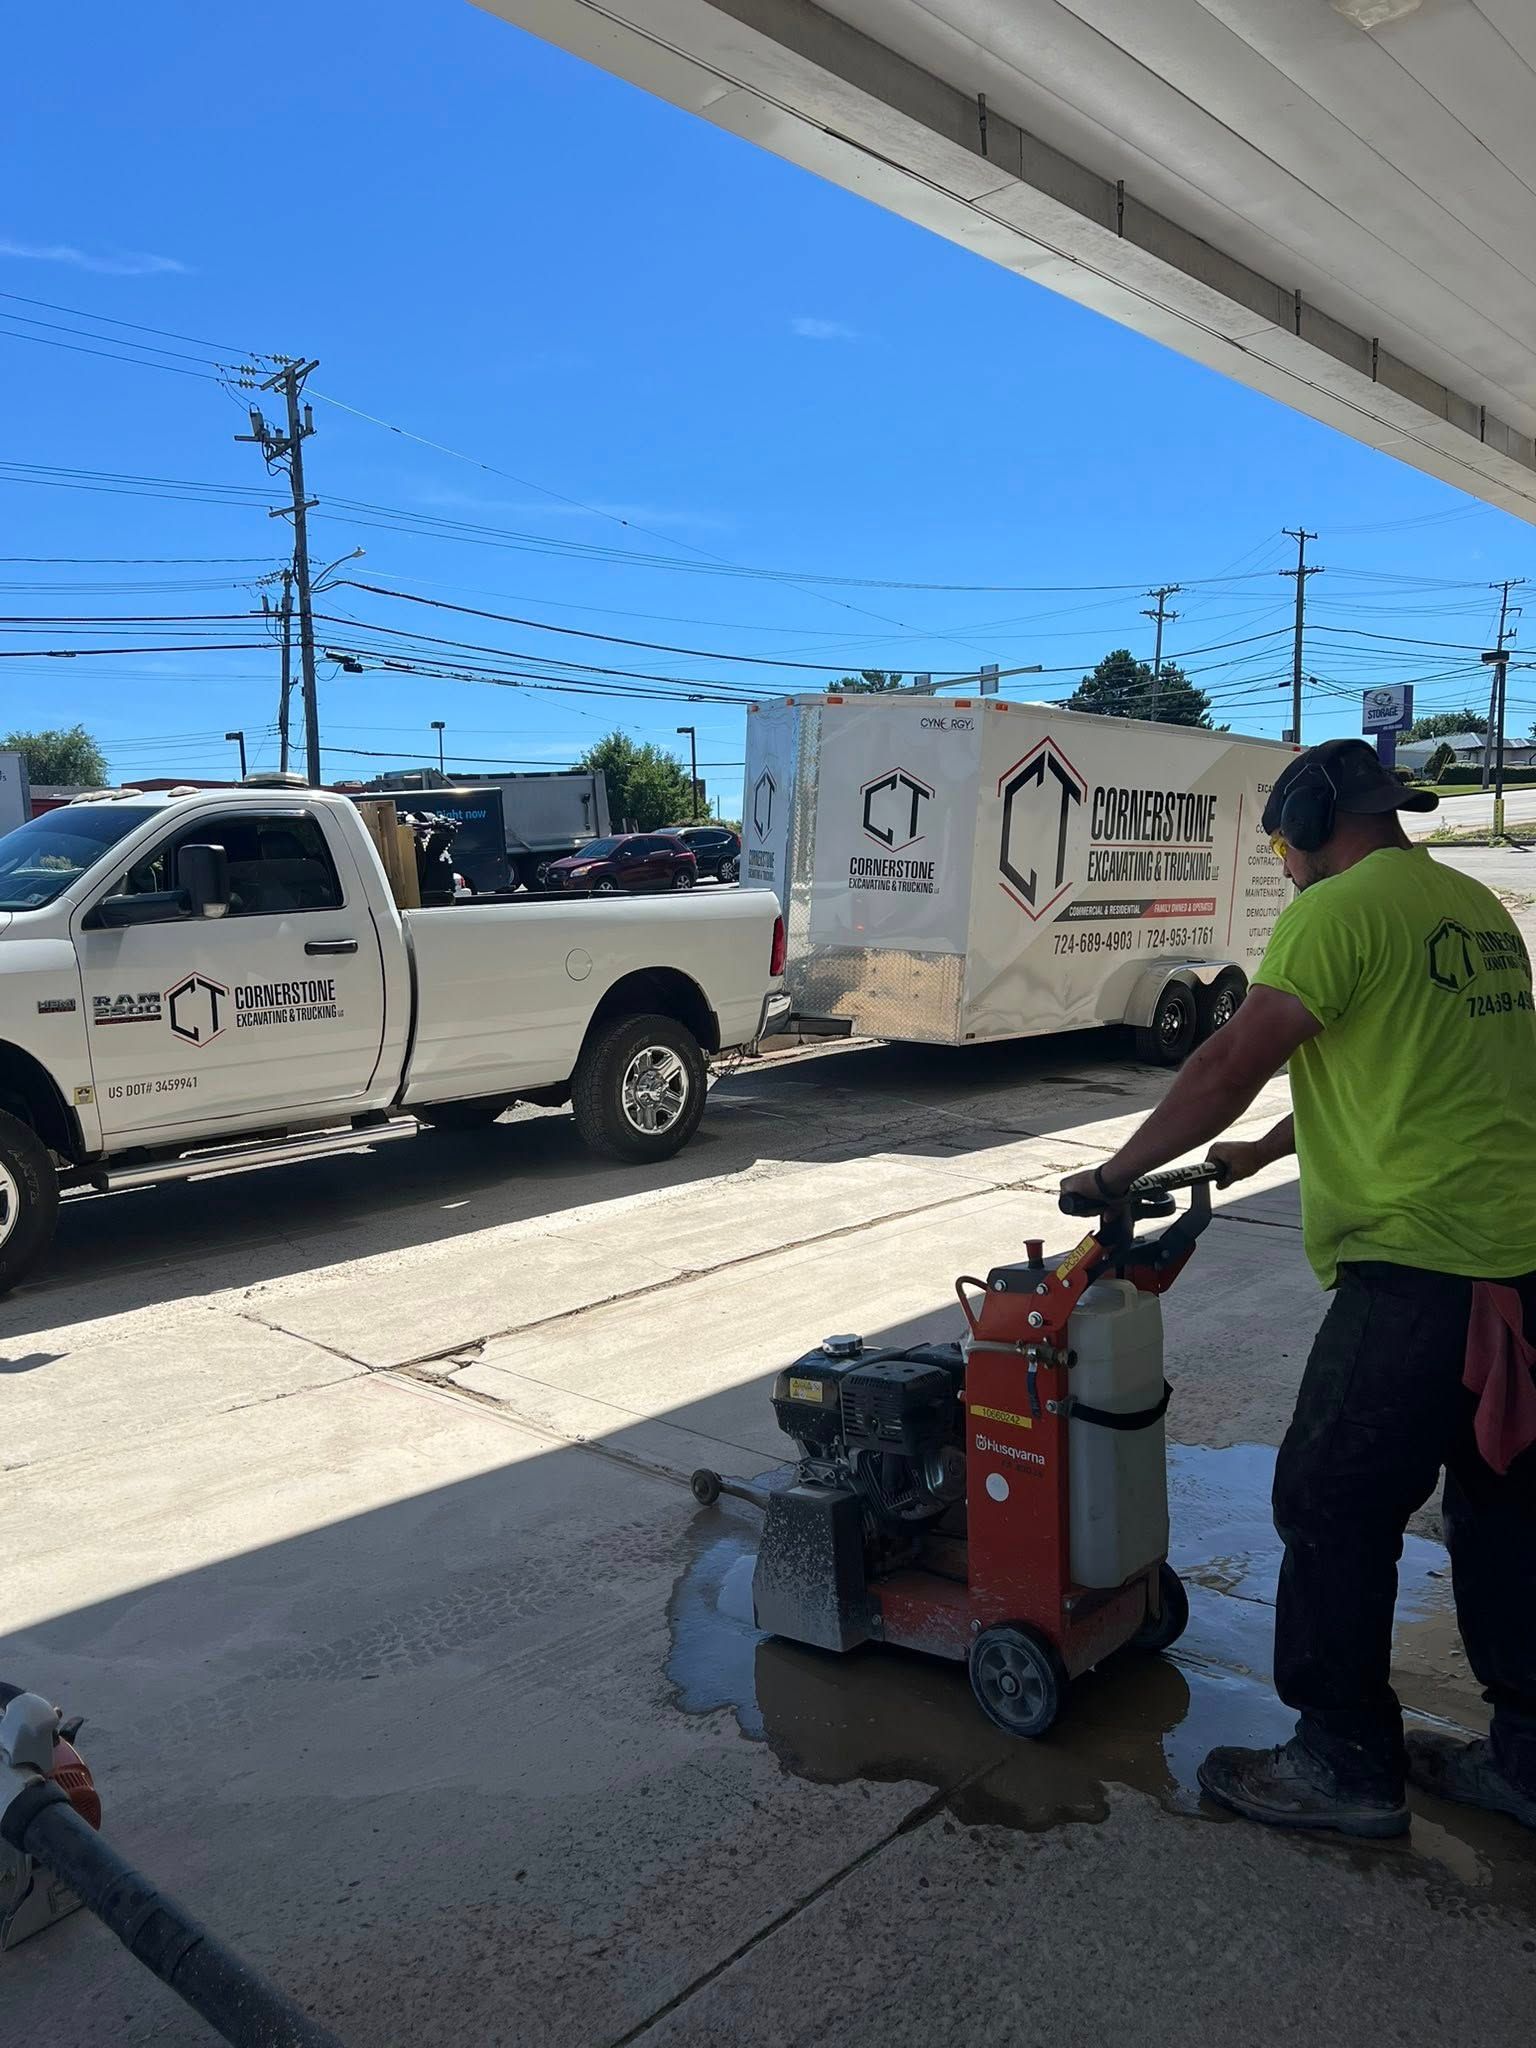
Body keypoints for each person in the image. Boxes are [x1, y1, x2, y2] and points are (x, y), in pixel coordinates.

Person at [1060, 736, 1536, 1839]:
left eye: (1283, 841)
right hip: (1515, 1268)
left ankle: (1342, 1758)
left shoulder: (1338, 908)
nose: (1285, 862)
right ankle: (1526, 1755)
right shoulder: (1471, 910)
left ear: (1313, 817)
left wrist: (1115, 1171)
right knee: (1503, 1507)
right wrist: (1267, 1154)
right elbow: (1404, 1063)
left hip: (1420, 1264)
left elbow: (1232, 1060)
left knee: (1327, 1496)